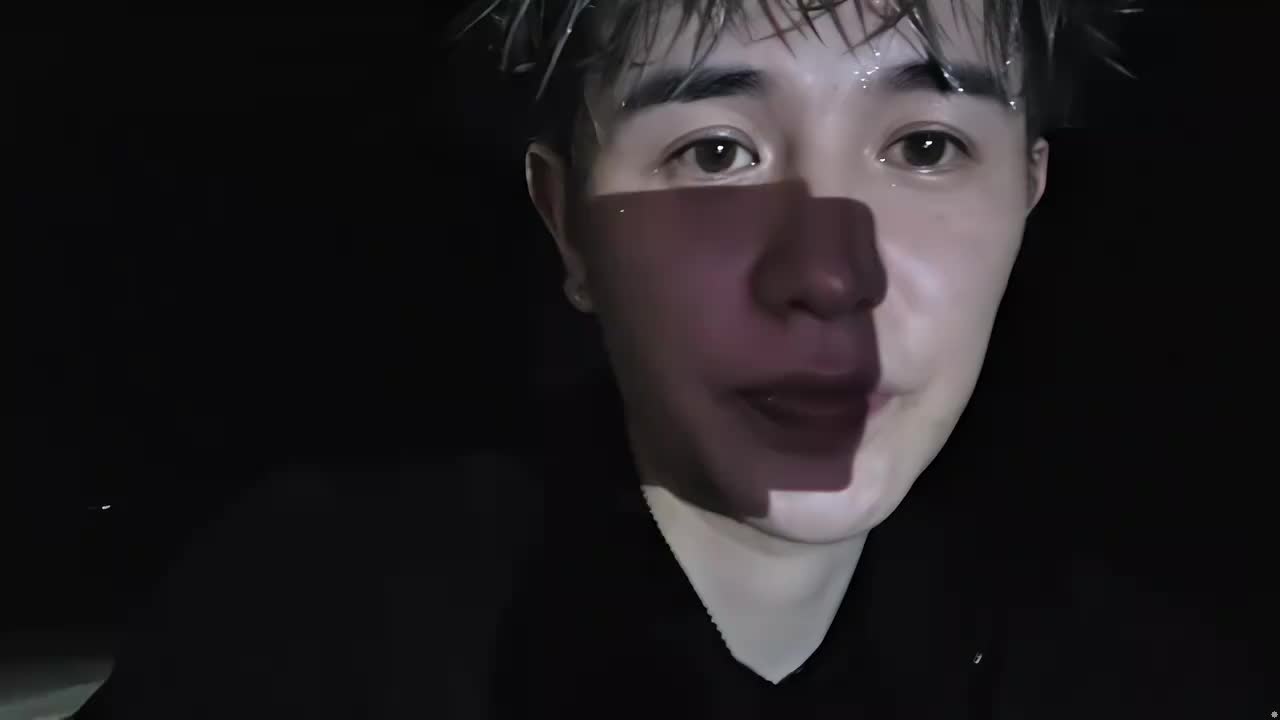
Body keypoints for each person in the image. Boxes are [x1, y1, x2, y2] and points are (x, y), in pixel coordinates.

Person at [77, 1, 1269, 717]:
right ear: (569, 230)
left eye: (922, 146)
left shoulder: (1140, 678)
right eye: (711, 152)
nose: (828, 273)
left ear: (1026, 199)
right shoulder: (312, 623)